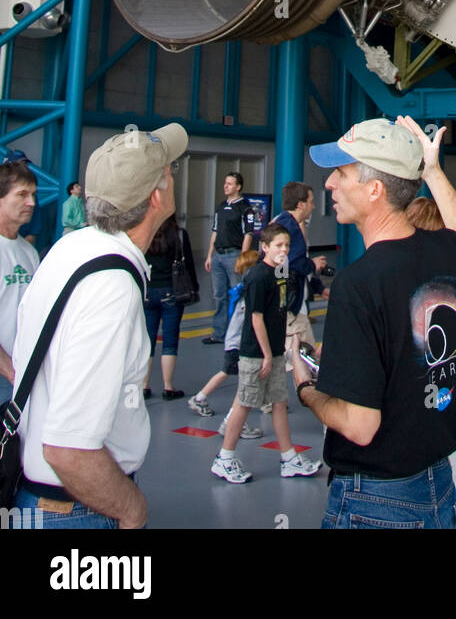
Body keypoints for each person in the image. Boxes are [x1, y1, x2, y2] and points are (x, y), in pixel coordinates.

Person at [289, 114, 456, 529]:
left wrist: (306, 388)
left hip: (376, 499)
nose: (328, 184)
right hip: (440, 485)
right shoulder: (446, 253)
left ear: (374, 189)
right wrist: (432, 171)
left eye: (341, 174)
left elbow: (360, 427)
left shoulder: (358, 284)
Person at [9, 123, 188, 529]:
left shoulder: (71, 249)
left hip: (39, 490)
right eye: (170, 170)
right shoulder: (111, 286)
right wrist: (131, 510)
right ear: (156, 196)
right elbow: (68, 449)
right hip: (74, 508)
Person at [211, 221, 321, 483]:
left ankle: (288, 457)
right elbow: (256, 318)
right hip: (256, 354)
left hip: (274, 350)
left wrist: (285, 344)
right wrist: (268, 355)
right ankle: (224, 458)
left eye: (287, 245)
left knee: (279, 402)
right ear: (264, 248)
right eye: (278, 246)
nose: (284, 250)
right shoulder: (258, 277)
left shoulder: (281, 273)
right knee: (245, 402)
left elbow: (281, 307)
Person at [404, 195, 456, 529]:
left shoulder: (435, 281)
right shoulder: (406, 281)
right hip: (412, 417)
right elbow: (401, 350)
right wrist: (452, 344)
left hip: (434, 414)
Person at [188, 248, 265, 439]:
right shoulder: (249, 293)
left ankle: (206, 401)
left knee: (236, 378)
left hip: (234, 343)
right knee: (240, 382)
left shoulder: (242, 290)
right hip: (239, 345)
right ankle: (208, 403)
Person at [142, 212, 198, 400]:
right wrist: (194, 289)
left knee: (147, 342)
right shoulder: (179, 235)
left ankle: (144, 385)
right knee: (170, 341)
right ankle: (168, 387)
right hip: (172, 291)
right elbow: (189, 264)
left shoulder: (145, 234)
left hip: (148, 291)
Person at [0, 158, 40, 409]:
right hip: (8, 371)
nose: (31, 203)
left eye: (33, 195)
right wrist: (8, 368)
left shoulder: (29, 252)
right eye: (22, 194)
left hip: (19, 371)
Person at [274, 181, 328, 350]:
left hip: (284, 299)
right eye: (311, 202)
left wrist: (318, 287)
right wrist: (312, 264)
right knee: (303, 353)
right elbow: (296, 263)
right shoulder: (290, 229)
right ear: (300, 204)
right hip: (291, 304)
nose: (313, 207)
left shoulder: (280, 223)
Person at [202, 171, 256, 343]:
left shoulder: (245, 208)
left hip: (234, 254)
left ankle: (239, 333)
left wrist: (242, 257)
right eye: (225, 183)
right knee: (219, 296)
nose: (226, 186)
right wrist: (210, 255)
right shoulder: (220, 207)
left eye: (230, 183)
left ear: (238, 187)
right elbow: (215, 231)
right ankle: (219, 334)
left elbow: (248, 234)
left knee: (237, 294)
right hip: (218, 255)